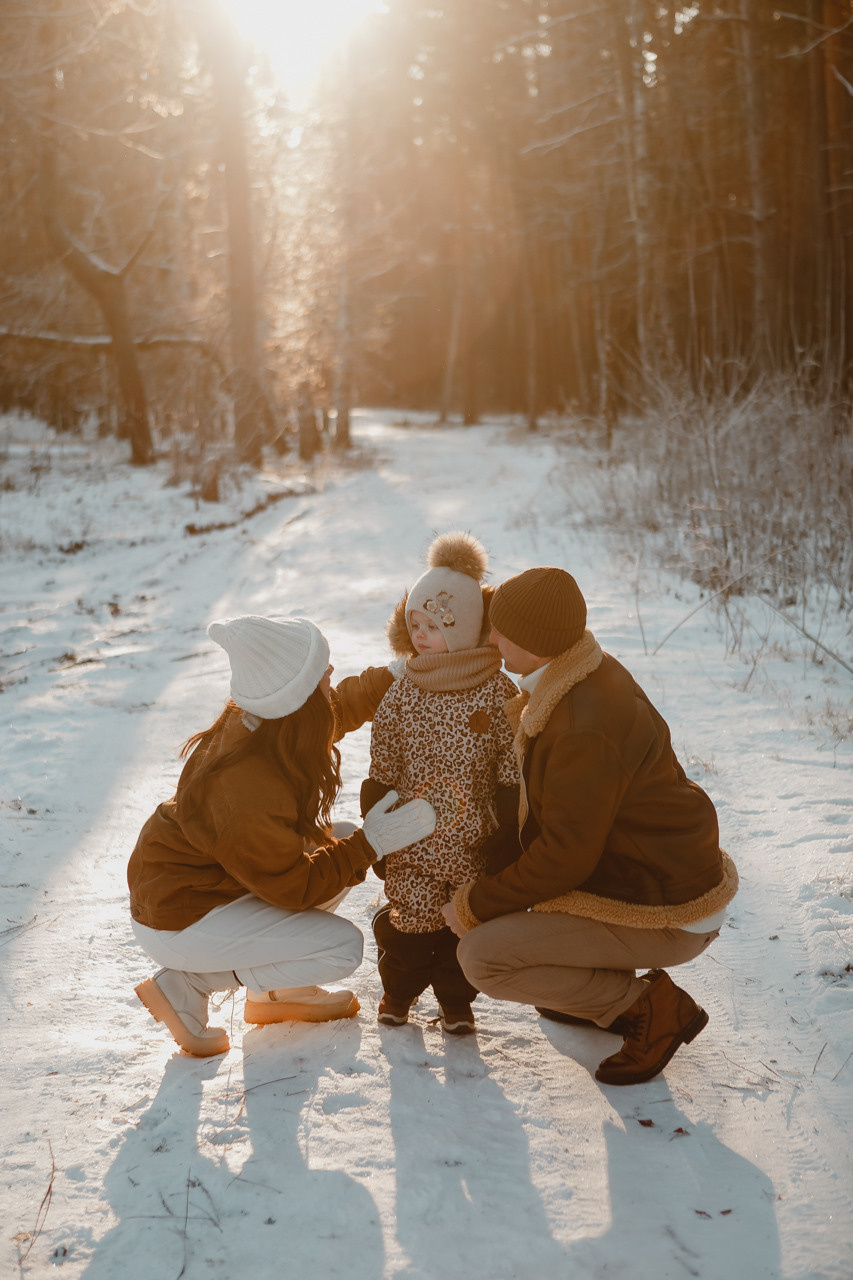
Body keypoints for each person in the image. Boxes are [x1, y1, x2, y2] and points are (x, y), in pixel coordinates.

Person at [441, 566, 739, 1085]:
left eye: (501, 629)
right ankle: (599, 993)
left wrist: (475, 904)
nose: (492, 638)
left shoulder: (581, 725)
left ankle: (648, 1009)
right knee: (511, 923)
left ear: (535, 642)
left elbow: (565, 857)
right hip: (655, 880)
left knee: (483, 957)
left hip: (667, 911)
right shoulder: (586, 674)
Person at [128, 613, 436, 1058]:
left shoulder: (268, 725)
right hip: (179, 918)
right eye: (321, 673)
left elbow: (334, 710)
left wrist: (393, 675)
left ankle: (276, 992)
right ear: (297, 695)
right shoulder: (246, 788)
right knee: (343, 948)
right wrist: (372, 845)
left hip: (201, 888)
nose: (331, 674)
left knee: (340, 838)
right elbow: (295, 888)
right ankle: (189, 982)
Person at [362, 532, 519, 1035]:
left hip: (474, 844)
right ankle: (398, 993)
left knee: (462, 928)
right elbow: (384, 753)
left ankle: (456, 1002)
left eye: (435, 626)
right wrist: (376, 813)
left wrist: (509, 826)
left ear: (467, 629)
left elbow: (508, 760)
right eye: (416, 624)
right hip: (410, 840)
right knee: (409, 925)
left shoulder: (496, 690)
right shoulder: (405, 687)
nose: (422, 636)